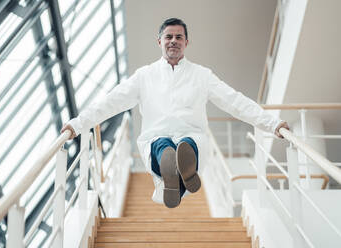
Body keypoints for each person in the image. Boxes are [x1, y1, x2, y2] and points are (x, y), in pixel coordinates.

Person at [61, 18, 289, 208]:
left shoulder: (202, 75)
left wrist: (273, 124)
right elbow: (111, 102)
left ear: (187, 42)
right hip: (155, 140)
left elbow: (234, 101)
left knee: (187, 145)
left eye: (179, 37)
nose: (173, 41)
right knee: (162, 146)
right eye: (168, 37)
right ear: (159, 41)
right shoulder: (144, 76)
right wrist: (77, 124)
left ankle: (179, 173)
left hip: (193, 140)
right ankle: (175, 176)